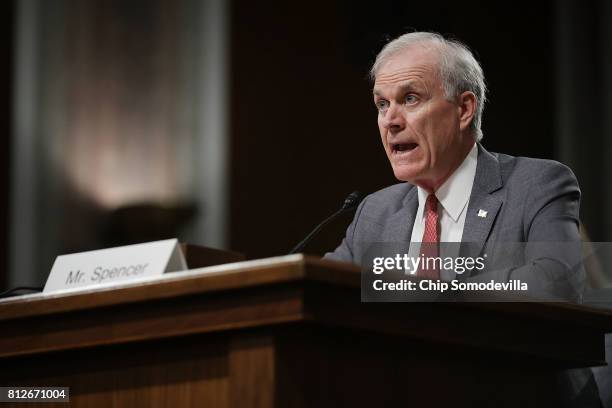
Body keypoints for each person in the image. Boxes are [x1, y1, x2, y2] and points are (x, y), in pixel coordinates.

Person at [326, 31, 599, 407]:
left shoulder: (536, 185)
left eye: (410, 99)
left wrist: (428, 295)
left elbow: (554, 281)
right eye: (381, 104)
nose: (390, 120)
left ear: (464, 109)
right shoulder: (375, 212)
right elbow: (321, 293)